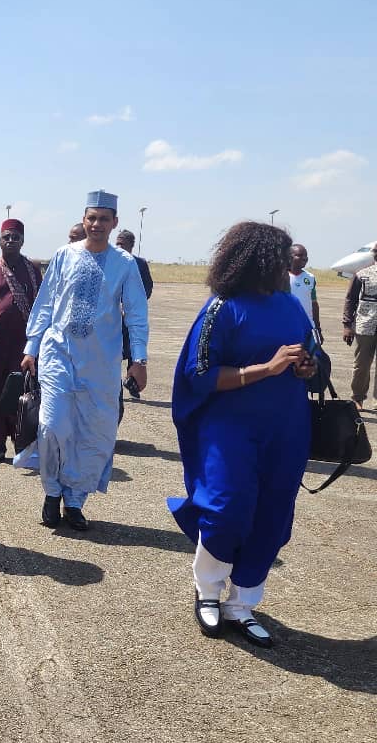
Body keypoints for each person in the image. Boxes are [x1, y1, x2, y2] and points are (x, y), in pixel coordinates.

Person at [170, 222, 316, 648]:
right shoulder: (223, 306)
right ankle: (209, 592)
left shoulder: (292, 306)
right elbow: (198, 374)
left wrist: (308, 366)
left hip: (286, 425)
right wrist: (266, 369)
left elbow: (316, 356)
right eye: (282, 257)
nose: (290, 264)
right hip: (230, 426)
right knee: (227, 507)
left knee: (273, 514)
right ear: (259, 260)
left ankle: (243, 604)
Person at [16, 190, 148, 531]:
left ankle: (74, 502)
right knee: (53, 425)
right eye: (91, 218)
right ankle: (51, 491)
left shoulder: (125, 264)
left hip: (101, 363)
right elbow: (45, 303)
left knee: (92, 433)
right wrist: (32, 346)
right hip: (59, 354)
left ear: (114, 223)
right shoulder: (64, 255)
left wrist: (139, 359)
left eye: (104, 219)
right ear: (84, 220)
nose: (97, 224)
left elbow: (136, 313)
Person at [0, 218, 42, 464]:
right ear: (0, 240)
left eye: (16, 237)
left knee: (20, 394)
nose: (11, 241)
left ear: (23, 240)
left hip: (22, 347)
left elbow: (41, 306)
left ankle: (21, 442)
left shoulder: (33, 270)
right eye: (7, 237)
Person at [116, 229, 154, 399]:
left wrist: (133, 303)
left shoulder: (140, 264)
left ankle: (133, 384)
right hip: (115, 319)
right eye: (117, 243)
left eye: (122, 244)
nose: (118, 247)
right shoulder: (112, 261)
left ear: (131, 245)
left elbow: (147, 286)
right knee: (115, 352)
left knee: (133, 352)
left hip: (131, 318)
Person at [342, 241, 377, 410]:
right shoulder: (361, 274)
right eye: (376, 252)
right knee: (362, 364)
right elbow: (350, 299)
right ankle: (358, 397)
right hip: (365, 325)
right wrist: (347, 325)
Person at [288, 244, 322, 339]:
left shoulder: (310, 278)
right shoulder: (280, 277)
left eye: (306, 256)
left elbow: (314, 303)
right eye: (300, 255)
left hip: (308, 327)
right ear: (290, 257)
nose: (304, 258)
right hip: (287, 326)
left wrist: (318, 327)